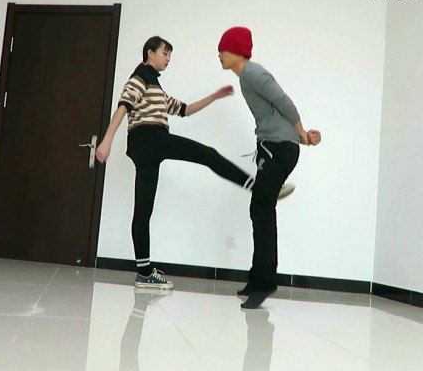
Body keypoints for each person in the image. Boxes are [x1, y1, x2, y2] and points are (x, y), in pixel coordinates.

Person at [95, 36, 295, 290]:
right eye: (165, 53)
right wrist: (106, 140)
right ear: (150, 53)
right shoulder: (140, 78)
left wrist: (214, 96)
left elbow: (184, 109)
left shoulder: (155, 86)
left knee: (143, 210)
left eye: (170, 54)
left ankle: (144, 273)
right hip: (151, 139)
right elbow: (123, 107)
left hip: (144, 148)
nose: (168, 58)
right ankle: (257, 186)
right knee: (208, 154)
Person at [217, 27, 322, 309]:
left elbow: (283, 101)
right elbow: (275, 113)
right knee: (259, 208)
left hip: (279, 149)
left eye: (223, 49)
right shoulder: (245, 77)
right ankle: (257, 279)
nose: (219, 55)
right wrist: (303, 137)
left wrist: (301, 133)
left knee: (262, 208)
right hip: (275, 148)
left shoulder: (253, 73)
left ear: (237, 51)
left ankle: (264, 283)